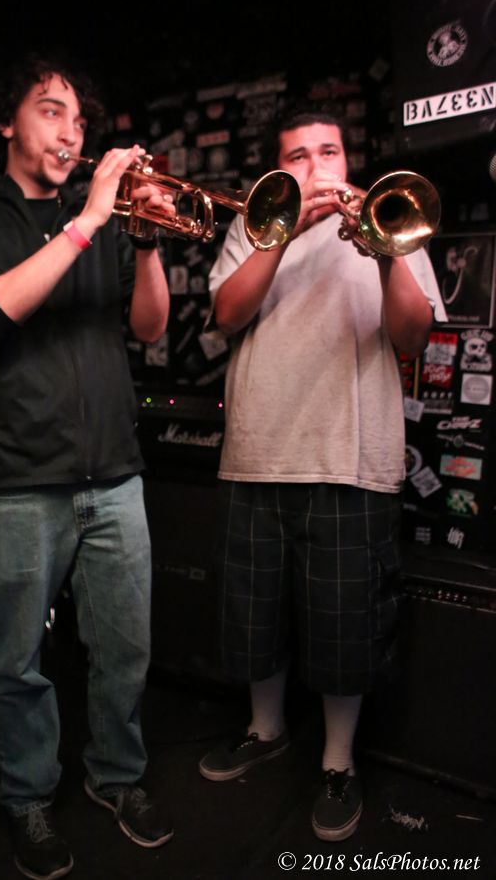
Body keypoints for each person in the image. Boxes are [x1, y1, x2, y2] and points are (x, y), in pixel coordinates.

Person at [0, 54, 174, 880]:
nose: (72, 131)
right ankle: (28, 797)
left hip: (115, 472)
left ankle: (116, 777)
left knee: (125, 648)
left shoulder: (97, 216)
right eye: (50, 110)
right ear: (7, 121)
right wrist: (90, 219)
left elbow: (149, 329)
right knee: (17, 661)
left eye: (79, 117)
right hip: (13, 479)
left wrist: (144, 242)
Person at [198, 108, 446, 842]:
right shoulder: (252, 222)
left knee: (346, 626)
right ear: (279, 168)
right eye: (298, 155)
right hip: (258, 452)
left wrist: (384, 251)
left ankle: (338, 762)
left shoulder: (391, 218)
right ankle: (265, 728)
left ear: (347, 159)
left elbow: (413, 335)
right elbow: (227, 313)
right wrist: (280, 234)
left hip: (350, 457)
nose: (316, 167)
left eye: (328, 152)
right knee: (254, 615)